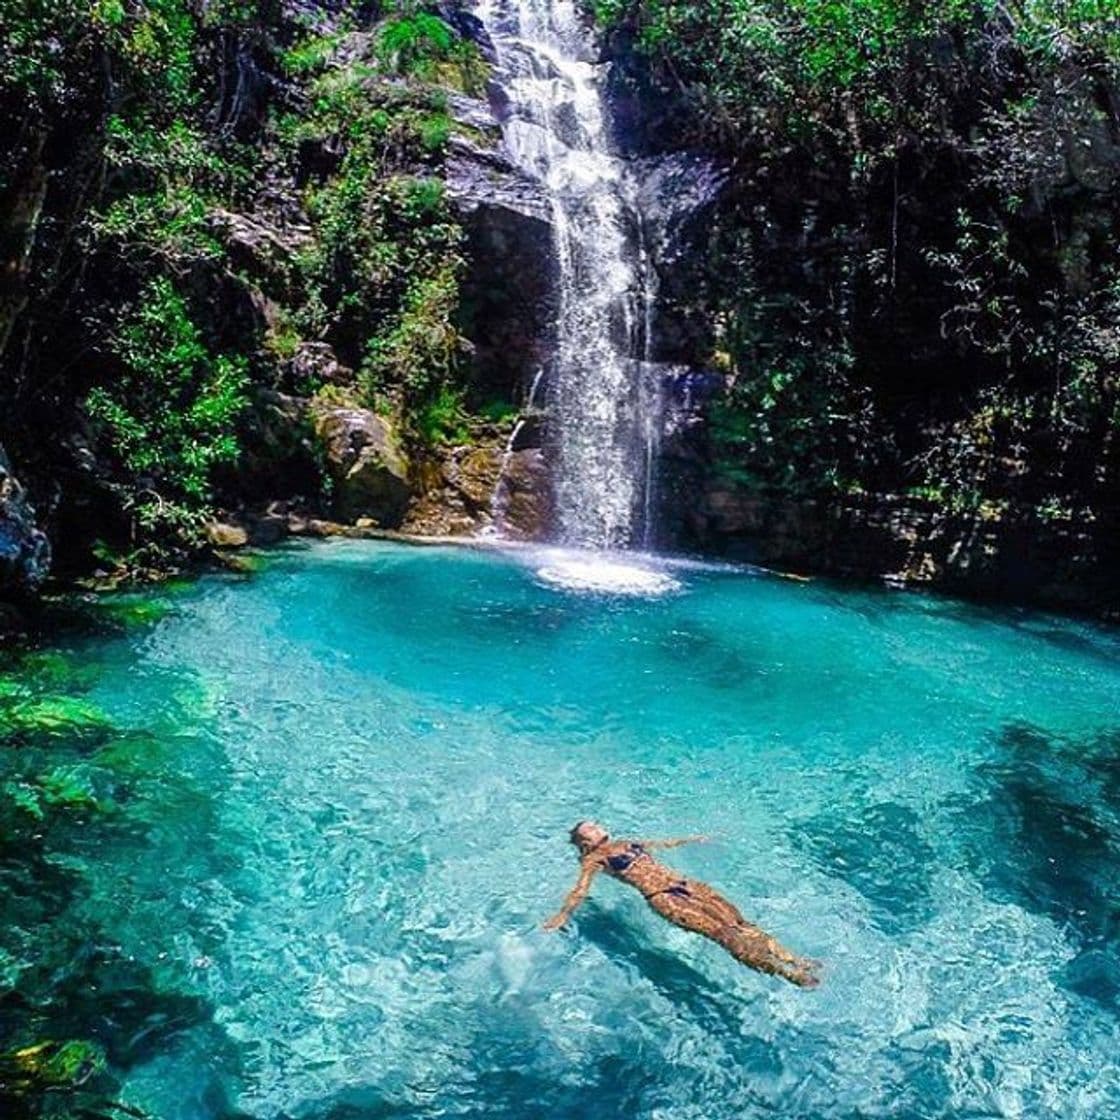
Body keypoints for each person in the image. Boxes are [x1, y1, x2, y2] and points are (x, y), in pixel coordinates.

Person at [543, 820, 820, 988]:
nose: (597, 826)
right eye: (589, 829)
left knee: (740, 923)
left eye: (595, 823)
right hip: (665, 898)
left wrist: (694, 839)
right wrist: (563, 915)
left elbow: (663, 844)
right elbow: (580, 890)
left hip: (688, 885)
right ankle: (788, 975)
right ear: (584, 842)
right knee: (726, 936)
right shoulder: (593, 860)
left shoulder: (626, 842)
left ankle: (794, 960)